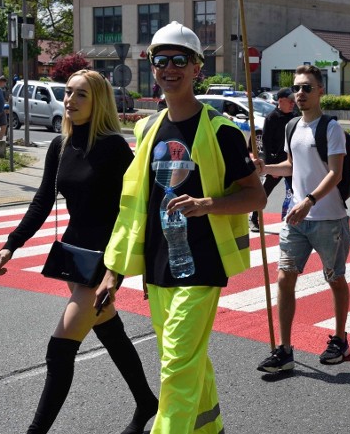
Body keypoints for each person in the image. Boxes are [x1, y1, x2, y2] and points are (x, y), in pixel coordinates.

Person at [98, 22, 266, 433]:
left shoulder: (223, 131)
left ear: (196, 68)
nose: (168, 68)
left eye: (179, 60)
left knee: (175, 364)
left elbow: (256, 197)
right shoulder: (146, 128)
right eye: (161, 60)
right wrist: (113, 270)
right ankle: (210, 427)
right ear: (152, 67)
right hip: (158, 266)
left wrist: (209, 204)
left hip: (203, 265)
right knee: (185, 359)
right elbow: (134, 205)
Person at [0, 69, 157, 434]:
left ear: (98, 102)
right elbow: (42, 200)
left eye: (81, 95)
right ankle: (146, 402)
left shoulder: (113, 148)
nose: (70, 101)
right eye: (68, 93)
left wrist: (135, 267)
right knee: (109, 330)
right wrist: (11, 244)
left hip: (105, 259)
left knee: (60, 349)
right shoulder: (60, 146)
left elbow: (138, 209)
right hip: (75, 254)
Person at [255, 65, 350, 374]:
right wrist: (266, 169)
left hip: (328, 218)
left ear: (320, 91)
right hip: (296, 218)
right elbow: (291, 166)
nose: (300, 93)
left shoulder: (331, 128)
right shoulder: (292, 126)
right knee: (285, 278)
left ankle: (340, 339)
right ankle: (284, 349)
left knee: (334, 279)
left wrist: (309, 201)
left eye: (307, 87)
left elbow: (335, 174)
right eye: (297, 88)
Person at [249, 87, 296, 232]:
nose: (293, 104)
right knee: (265, 192)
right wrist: (271, 167)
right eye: (290, 101)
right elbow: (266, 144)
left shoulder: (294, 117)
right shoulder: (272, 118)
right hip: (276, 162)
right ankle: (254, 217)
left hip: (292, 163)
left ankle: (298, 219)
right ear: (280, 101)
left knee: (298, 191)